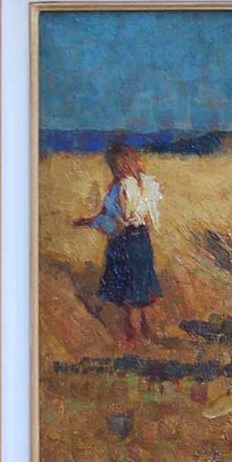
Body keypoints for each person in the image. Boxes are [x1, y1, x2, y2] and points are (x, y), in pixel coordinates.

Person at [74, 143, 163, 342]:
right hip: (141, 240)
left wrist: (94, 222)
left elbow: (119, 222)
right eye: (116, 165)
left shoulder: (123, 187)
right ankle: (147, 335)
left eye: (120, 164)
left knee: (130, 293)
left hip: (125, 242)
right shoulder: (145, 185)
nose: (118, 168)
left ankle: (134, 337)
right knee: (142, 290)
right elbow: (144, 219)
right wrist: (92, 221)